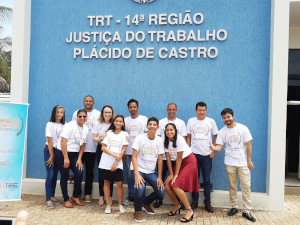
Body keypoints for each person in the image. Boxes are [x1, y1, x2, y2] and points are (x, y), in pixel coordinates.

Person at [209, 108, 256, 222]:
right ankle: (234, 207)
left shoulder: (242, 128)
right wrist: (214, 148)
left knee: (246, 186)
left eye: (228, 117)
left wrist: (249, 160)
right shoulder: (222, 132)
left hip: (243, 163)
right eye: (224, 118)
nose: (226, 119)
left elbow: (248, 145)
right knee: (232, 186)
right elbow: (219, 146)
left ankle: (246, 211)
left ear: (233, 116)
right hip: (230, 163)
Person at [131, 117, 165, 223]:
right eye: (150, 124)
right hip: (138, 170)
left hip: (150, 172)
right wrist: (136, 174)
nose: (152, 126)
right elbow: (134, 157)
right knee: (140, 190)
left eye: (154, 125)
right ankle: (137, 211)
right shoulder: (140, 138)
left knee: (161, 192)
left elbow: (160, 159)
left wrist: (159, 176)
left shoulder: (159, 140)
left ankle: (145, 203)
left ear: (158, 127)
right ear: (147, 126)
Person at [154, 102, 187, 208]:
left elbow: (184, 139)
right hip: (164, 156)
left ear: (176, 110)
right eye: (170, 109)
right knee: (161, 177)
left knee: (176, 179)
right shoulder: (162, 122)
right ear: (166, 110)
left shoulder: (181, 123)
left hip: (177, 157)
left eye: (173, 109)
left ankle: (179, 201)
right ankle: (159, 198)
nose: (171, 111)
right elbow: (158, 137)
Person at [164, 123, 199, 223]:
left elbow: (179, 158)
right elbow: (168, 159)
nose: (169, 132)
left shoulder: (179, 139)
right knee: (167, 185)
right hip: (179, 163)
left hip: (188, 161)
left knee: (175, 185)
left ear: (175, 130)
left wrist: (175, 175)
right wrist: (171, 174)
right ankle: (177, 205)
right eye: (167, 130)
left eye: (171, 130)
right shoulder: (165, 141)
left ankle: (189, 210)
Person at [187, 102, 218, 212]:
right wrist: (188, 151)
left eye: (203, 110)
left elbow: (216, 136)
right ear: (196, 111)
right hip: (194, 154)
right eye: (199, 110)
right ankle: (195, 201)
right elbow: (189, 137)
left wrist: (213, 150)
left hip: (207, 155)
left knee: (207, 179)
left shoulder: (211, 121)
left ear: (206, 110)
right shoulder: (191, 121)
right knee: (195, 178)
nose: (201, 112)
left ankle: (207, 203)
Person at [56, 109, 89, 208]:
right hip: (62, 153)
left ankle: (75, 196)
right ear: (76, 117)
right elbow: (63, 141)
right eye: (80, 116)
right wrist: (66, 158)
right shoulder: (70, 126)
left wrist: (79, 159)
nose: (82, 118)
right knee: (64, 176)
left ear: (86, 117)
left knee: (79, 173)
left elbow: (83, 144)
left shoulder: (86, 128)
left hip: (75, 154)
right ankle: (66, 199)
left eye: (84, 116)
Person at [72, 95, 100, 202]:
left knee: (90, 172)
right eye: (86, 101)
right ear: (83, 102)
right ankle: (77, 193)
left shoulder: (98, 114)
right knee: (77, 171)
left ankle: (88, 193)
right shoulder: (76, 113)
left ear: (93, 103)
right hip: (78, 148)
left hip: (92, 148)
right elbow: (73, 129)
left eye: (90, 101)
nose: (88, 102)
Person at [98, 115, 129, 214]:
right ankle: (108, 205)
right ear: (114, 122)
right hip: (106, 161)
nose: (118, 123)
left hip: (118, 162)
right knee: (106, 182)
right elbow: (103, 148)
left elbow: (123, 149)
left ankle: (120, 205)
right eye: (117, 121)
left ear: (123, 123)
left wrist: (116, 161)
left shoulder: (125, 134)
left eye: (120, 121)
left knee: (119, 183)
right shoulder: (109, 133)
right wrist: (114, 155)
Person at [123, 99, 148, 206]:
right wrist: (122, 152)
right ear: (128, 108)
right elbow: (122, 137)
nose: (133, 109)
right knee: (130, 176)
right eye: (131, 107)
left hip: (142, 153)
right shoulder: (125, 120)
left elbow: (147, 136)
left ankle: (141, 197)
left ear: (137, 107)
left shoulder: (144, 119)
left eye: (134, 107)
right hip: (129, 152)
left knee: (142, 174)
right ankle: (131, 196)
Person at [92, 105, 115, 206]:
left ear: (112, 113)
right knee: (102, 173)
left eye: (109, 112)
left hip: (112, 151)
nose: (107, 114)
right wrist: (103, 139)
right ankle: (101, 196)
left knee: (111, 173)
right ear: (102, 113)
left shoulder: (115, 124)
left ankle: (109, 196)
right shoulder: (98, 124)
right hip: (101, 150)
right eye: (105, 112)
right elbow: (94, 138)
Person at [44, 105, 65, 208]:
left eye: (61, 112)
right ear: (54, 113)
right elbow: (50, 141)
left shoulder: (64, 125)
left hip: (59, 151)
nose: (60, 114)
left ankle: (52, 196)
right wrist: (52, 155)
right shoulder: (50, 124)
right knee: (50, 175)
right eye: (58, 112)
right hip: (49, 151)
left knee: (55, 175)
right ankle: (48, 200)